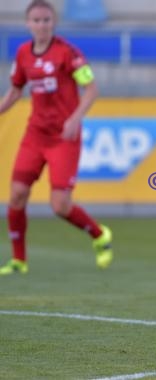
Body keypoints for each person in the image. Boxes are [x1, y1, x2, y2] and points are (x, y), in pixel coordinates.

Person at [0, 0, 113, 276]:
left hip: (64, 137)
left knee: (60, 205)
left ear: (54, 23)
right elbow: (15, 91)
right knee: (16, 195)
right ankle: (19, 260)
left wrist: (75, 118)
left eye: (46, 20)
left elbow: (91, 88)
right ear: (28, 24)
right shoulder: (23, 53)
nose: (41, 25)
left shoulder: (67, 53)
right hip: (35, 134)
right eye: (36, 20)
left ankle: (99, 235)